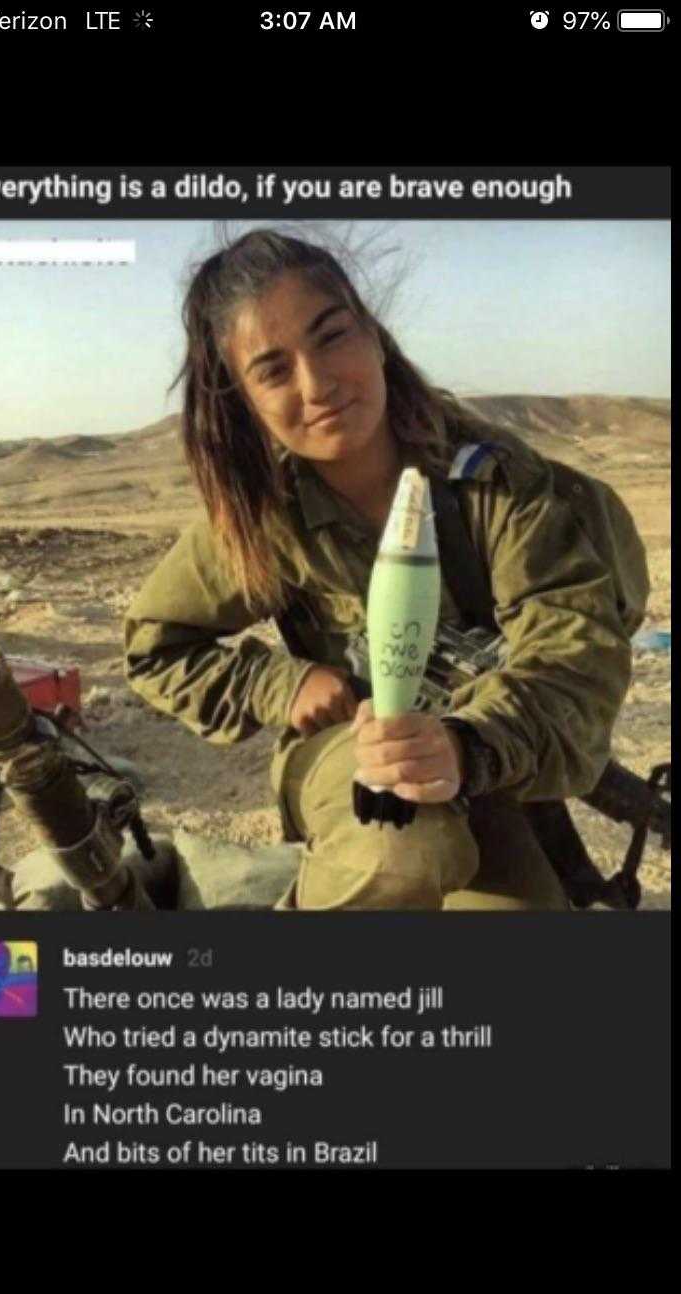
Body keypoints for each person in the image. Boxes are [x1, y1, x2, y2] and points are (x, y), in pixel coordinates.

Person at [124, 229, 634, 911]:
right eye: (274, 370)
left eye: (332, 336)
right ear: (244, 401)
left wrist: (468, 745)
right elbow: (155, 646)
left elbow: (575, 660)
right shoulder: (265, 518)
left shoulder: (495, 486)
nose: (319, 383)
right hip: (351, 756)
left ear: (373, 334)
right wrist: (282, 682)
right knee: (406, 851)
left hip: (480, 765)